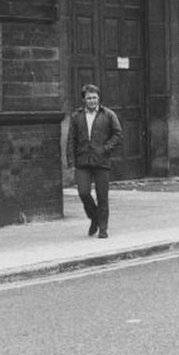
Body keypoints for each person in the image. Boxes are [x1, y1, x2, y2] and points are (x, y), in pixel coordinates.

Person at [66, 83, 123, 239]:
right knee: (83, 192)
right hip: (82, 159)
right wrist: (71, 161)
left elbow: (118, 134)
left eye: (95, 98)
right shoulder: (76, 116)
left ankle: (103, 228)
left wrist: (105, 148)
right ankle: (94, 217)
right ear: (84, 99)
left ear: (99, 98)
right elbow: (71, 139)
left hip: (101, 160)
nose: (92, 101)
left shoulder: (108, 114)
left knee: (102, 195)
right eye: (89, 98)